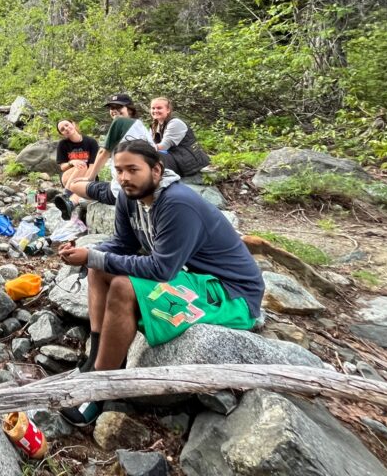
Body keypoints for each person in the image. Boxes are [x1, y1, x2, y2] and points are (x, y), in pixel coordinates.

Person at [57, 140, 264, 425]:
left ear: (156, 170)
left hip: (229, 293)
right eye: (119, 170)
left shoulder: (177, 202)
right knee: (97, 268)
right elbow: (123, 243)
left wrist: (93, 256)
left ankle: (100, 389)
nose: (125, 177)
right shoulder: (129, 198)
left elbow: (161, 269)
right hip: (192, 278)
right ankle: (96, 360)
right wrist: (83, 253)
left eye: (133, 169)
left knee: (122, 286)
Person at [82, 93, 153, 201]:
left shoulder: (119, 122)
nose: (114, 110)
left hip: (122, 190)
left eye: (119, 107)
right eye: (111, 108)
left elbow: (103, 153)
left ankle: (74, 203)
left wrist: (90, 178)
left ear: (129, 109)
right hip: (145, 186)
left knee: (75, 185)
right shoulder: (141, 126)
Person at [149, 97, 210, 177]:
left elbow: (163, 147)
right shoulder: (155, 125)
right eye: (153, 108)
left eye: (159, 108)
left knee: (153, 156)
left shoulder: (175, 123)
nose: (155, 111)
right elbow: (149, 143)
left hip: (189, 161)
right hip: (175, 156)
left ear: (168, 110)